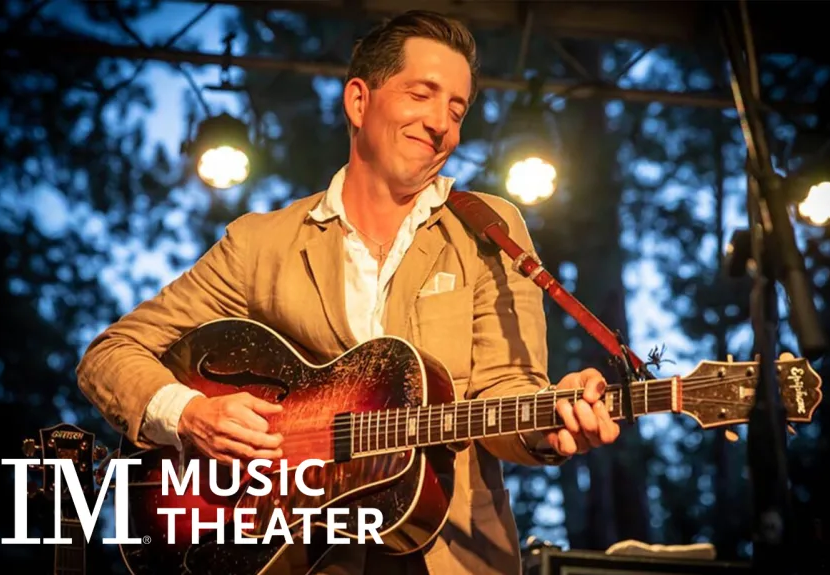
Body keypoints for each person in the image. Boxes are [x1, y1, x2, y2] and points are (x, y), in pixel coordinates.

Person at [76, 9, 620, 575]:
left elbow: (505, 390)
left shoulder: (489, 229)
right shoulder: (261, 244)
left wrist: (551, 421)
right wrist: (190, 414)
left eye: (457, 110)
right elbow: (110, 355)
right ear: (359, 101)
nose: (441, 124)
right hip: (291, 556)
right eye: (422, 95)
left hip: (448, 556)